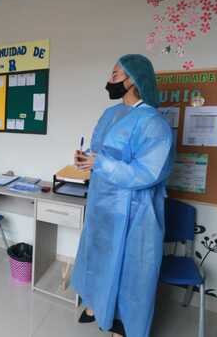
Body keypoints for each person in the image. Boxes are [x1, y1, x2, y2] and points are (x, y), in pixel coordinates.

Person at [71, 54, 174, 337]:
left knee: (131, 269)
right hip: (102, 203)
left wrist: (100, 163)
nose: (110, 80)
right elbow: (99, 152)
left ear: (134, 80)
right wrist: (86, 159)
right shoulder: (110, 114)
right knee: (97, 255)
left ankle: (123, 323)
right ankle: (94, 303)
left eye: (115, 75)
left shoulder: (154, 124)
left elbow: (148, 172)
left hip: (134, 210)